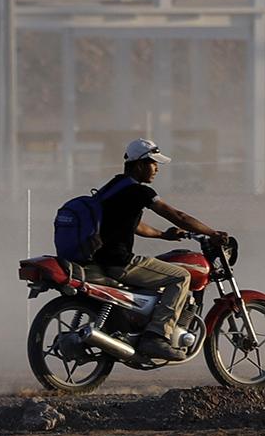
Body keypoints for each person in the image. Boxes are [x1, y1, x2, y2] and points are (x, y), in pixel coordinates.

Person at [87, 138, 229, 361]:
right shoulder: (138, 191)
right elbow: (177, 216)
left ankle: (141, 324)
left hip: (97, 258)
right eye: (154, 164)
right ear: (140, 164)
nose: (156, 170)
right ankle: (156, 336)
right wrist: (213, 233)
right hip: (119, 262)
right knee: (180, 277)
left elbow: (132, 225)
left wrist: (164, 235)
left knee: (162, 272)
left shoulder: (113, 186)